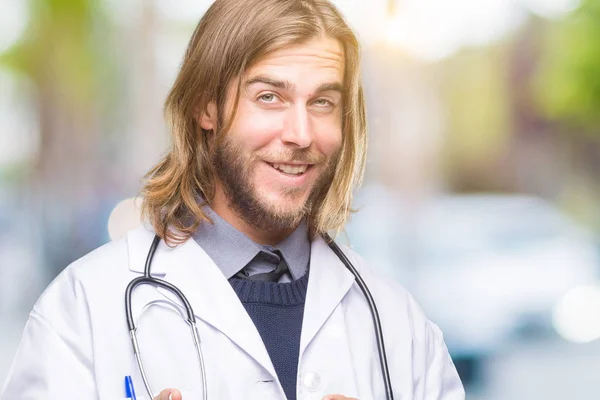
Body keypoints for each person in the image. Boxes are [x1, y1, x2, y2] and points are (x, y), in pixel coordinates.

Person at [0, 0, 465, 399]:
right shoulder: (81, 310)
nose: (301, 134)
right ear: (207, 106)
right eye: (269, 97)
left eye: (323, 102)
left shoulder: (397, 325)